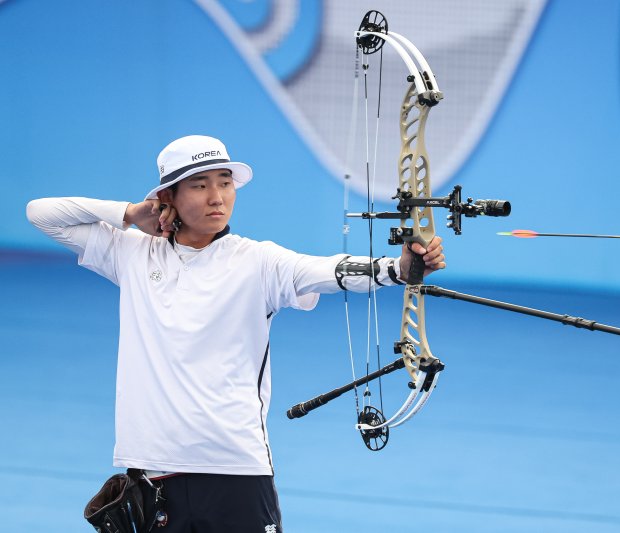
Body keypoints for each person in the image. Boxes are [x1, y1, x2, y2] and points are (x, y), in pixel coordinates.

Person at [26, 135, 445, 532]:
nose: (217, 197)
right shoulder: (130, 254)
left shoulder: (258, 261)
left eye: (225, 183)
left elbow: (327, 270)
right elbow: (41, 213)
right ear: (166, 197)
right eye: (200, 185)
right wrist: (131, 214)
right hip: (155, 472)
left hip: (236, 470)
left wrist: (397, 268)